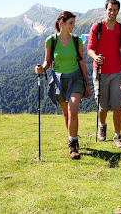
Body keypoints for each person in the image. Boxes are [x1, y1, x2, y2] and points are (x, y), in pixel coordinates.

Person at [35, 11, 90, 159]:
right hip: (59, 80)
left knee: (72, 110)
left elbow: (82, 61)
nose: (73, 26)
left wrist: (87, 83)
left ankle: (72, 146)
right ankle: (73, 138)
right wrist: (42, 69)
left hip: (76, 78)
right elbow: (47, 62)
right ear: (61, 23)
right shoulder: (50, 41)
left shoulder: (76, 40)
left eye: (73, 23)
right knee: (67, 114)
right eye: (70, 23)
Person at [87, 0, 121, 148]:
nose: (112, 12)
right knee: (103, 107)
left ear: (118, 11)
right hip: (100, 72)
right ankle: (102, 125)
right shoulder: (96, 28)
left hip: (117, 71)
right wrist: (95, 57)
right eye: (110, 9)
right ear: (105, 10)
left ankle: (117, 135)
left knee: (118, 106)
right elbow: (90, 48)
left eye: (115, 9)